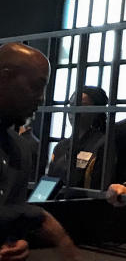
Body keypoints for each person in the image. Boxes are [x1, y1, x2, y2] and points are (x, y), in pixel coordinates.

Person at [0, 43, 79, 260]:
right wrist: (37, 216)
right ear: (4, 78)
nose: (42, 98)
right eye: (36, 86)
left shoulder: (20, 149)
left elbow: (9, 218)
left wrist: (16, 243)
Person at [48, 86, 109, 190]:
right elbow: (48, 183)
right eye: (71, 104)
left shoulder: (102, 144)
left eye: (81, 105)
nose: (73, 110)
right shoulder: (61, 146)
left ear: (96, 111)